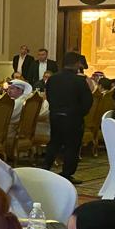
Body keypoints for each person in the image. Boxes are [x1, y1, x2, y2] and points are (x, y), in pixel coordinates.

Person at [43, 51, 94, 183]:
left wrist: (55, 109)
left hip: (55, 116)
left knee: (54, 143)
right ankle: (67, 173)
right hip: (73, 118)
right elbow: (88, 101)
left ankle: (45, 168)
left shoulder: (52, 79)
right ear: (77, 64)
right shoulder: (79, 81)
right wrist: (80, 113)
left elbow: (48, 96)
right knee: (72, 146)